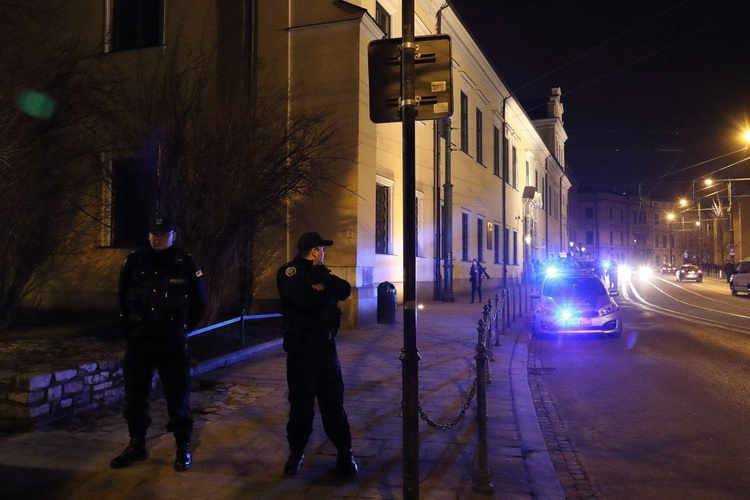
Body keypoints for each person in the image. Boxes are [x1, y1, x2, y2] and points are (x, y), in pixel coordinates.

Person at [110, 215, 207, 472]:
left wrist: (184, 327)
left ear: (173, 235)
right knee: (135, 395)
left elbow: (200, 301)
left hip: (170, 339)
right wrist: (128, 327)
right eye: (153, 233)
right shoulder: (136, 260)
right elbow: (121, 296)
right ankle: (136, 443)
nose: (157, 237)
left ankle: (182, 446)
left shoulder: (184, 262)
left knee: (177, 394)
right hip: (141, 339)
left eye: (163, 233)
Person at [276, 231, 358, 477]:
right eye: (322, 249)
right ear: (313, 251)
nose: (324, 253)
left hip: (325, 349)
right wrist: (324, 294)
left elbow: (344, 290)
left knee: (333, 404)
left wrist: (322, 287)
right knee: (300, 406)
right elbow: (304, 301)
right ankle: (296, 452)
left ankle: (345, 452)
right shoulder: (289, 272)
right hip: (301, 350)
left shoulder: (322, 273)